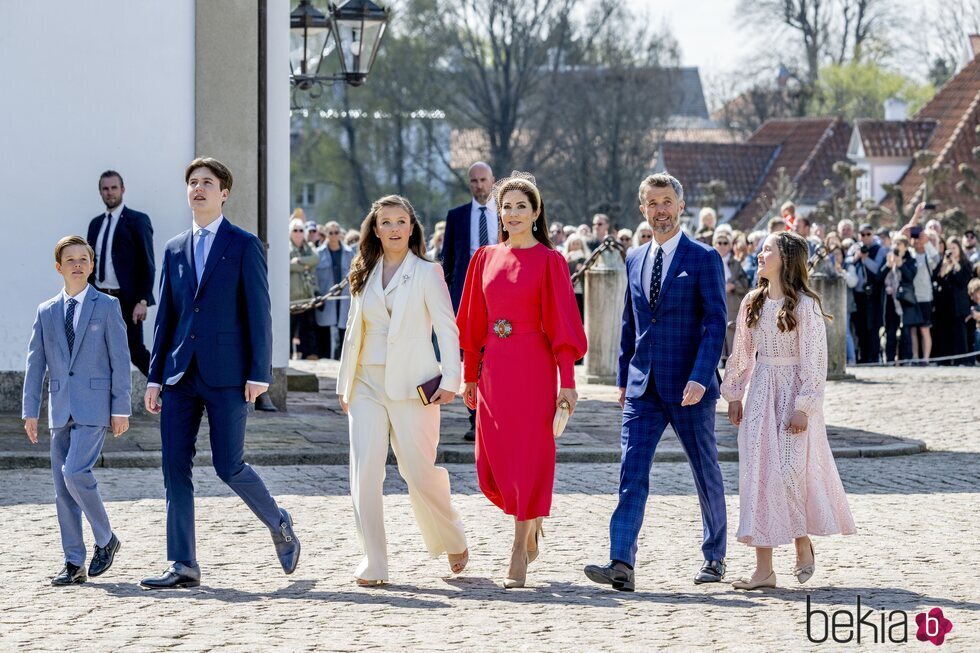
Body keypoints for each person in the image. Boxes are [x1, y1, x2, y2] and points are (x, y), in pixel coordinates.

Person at [140, 157, 299, 589]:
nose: (198, 189)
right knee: (174, 467)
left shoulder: (244, 245)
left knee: (229, 466)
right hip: (178, 376)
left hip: (228, 375)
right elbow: (166, 319)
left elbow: (259, 313)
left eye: (207, 183)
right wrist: (155, 377)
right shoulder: (174, 248)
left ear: (224, 192)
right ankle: (183, 564)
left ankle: (278, 522)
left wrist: (259, 372)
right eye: (192, 182)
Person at [584, 173, 728, 592]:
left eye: (667, 201)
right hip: (642, 386)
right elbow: (629, 324)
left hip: (690, 388)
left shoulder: (703, 258)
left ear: (680, 207)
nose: (660, 210)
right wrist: (622, 379)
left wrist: (702, 377)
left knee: (705, 471)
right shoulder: (633, 258)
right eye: (652, 203)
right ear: (642, 209)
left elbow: (716, 323)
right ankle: (621, 563)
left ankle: (714, 556)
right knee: (631, 472)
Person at [457, 172, 586, 588]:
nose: (512, 214)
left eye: (520, 206)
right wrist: (468, 376)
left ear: (536, 212)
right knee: (493, 463)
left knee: (529, 457)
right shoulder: (483, 258)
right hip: (493, 369)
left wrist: (567, 383)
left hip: (533, 368)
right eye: (506, 207)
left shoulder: (551, 262)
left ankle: (518, 547)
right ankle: (530, 525)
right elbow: (472, 324)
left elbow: (564, 330)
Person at [336, 195, 468, 586]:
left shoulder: (428, 272)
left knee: (419, 472)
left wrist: (451, 379)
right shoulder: (363, 271)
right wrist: (345, 384)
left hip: (415, 386)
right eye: (386, 222)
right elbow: (352, 332)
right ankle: (373, 560)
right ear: (374, 229)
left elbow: (447, 327)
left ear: (412, 228)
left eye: (401, 221)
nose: (394, 228)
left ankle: (453, 535)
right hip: (365, 385)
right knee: (365, 473)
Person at [721, 231, 855, 589]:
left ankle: (801, 543)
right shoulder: (753, 302)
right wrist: (734, 394)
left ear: (786, 259)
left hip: (793, 395)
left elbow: (815, 360)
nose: (760, 254)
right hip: (761, 392)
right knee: (758, 475)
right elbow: (742, 353)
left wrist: (805, 405)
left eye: (768, 249)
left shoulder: (806, 306)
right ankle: (763, 569)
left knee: (791, 471)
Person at [23, 235, 131, 585]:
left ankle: (106, 538)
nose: (77, 264)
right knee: (62, 488)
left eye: (84, 258)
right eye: (70, 260)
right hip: (59, 408)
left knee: (74, 473)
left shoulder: (107, 306)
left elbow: (120, 360)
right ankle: (73, 563)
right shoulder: (46, 311)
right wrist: (30, 412)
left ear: (92, 265)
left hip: (95, 407)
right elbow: (35, 365)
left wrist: (121, 408)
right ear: (59, 268)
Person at [442, 161, 497, 441]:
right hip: (468, 293)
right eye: (474, 181)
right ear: (469, 184)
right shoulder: (457, 217)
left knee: (497, 356)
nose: (479, 185)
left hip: (501, 293)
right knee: (472, 357)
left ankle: (498, 415)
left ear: (492, 181)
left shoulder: (507, 215)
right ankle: (475, 419)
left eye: (483, 180)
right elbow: (448, 260)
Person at [86, 170, 155, 376]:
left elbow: (147, 263)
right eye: (105, 189)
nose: (110, 193)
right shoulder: (95, 224)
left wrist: (142, 300)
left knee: (135, 351)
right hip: (99, 298)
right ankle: (101, 402)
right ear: (100, 192)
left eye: (114, 188)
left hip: (127, 301)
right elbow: (89, 262)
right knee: (97, 350)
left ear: (122, 190)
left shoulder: (137, 220)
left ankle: (170, 392)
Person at [902, 206, 941, 363]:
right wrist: (916, 215)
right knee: (912, 329)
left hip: (925, 296)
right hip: (911, 296)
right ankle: (915, 356)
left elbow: (937, 260)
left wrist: (927, 243)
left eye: (919, 237)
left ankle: (925, 358)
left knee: (925, 329)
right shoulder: (909, 254)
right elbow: (903, 233)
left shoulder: (928, 255)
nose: (916, 240)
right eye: (915, 237)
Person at [314, 221, 352, 360]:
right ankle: (324, 360)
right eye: (331, 233)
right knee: (324, 333)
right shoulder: (318, 253)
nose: (334, 236)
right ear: (326, 234)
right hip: (326, 297)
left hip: (345, 298)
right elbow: (314, 276)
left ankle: (341, 360)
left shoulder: (349, 252)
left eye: (337, 232)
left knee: (344, 331)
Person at [849, 223, 886, 363]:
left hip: (873, 295)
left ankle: (874, 357)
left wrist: (865, 258)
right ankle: (863, 357)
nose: (865, 237)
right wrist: (856, 257)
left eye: (868, 234)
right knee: (860, 327)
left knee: (873, 327)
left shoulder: (879, 249)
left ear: (873, 234)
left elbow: (877, 269)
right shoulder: (855, 248)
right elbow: (847, 262)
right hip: (858, 294)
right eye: (862, 234)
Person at [932, 237, 973, 364]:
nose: (952, 251)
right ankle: (945, 360)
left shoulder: (965, 264)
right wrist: (944, 265)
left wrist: (955, 264)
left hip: (959, 305)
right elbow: (937, 279)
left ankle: (961, 360)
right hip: (945, 305)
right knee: (945, 332)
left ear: (959, 249)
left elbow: (963, 280)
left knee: (960, 333)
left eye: (954, 248)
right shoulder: (943, 262)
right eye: (949, 249)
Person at [714, 230, 750, 365]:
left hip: (732, 303)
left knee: (732, 331)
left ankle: (733, 360)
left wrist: (733, 285)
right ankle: (718, 359)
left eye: (725, 243)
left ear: (730, 246)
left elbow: (745, 283)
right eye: (719, 242)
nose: (722, 245)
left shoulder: (735, 263)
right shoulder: (709, 260)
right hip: (716, 302)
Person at [881, 234, 917, 363]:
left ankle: (906, 359)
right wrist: (887, 266)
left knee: (905, 332)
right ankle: (890, 359)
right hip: (890, 301)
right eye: (894, 244)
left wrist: (901, 265)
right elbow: (879, 278)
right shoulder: (888, 258)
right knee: (890, 331)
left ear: (905, 248)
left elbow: (910, 278)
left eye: (899, 244)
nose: (896, 247)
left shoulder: (911, 260)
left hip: (904, 301)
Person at [289, 217, 320, 360]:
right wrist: (306, 266)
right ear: (290, 232)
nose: (298, 233)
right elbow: (287, 265)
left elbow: (316, 259)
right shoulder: (286, 247)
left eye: (301, 230)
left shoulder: (309, 247)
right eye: (295, 230)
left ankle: (308, 354)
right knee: (289, 328)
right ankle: (288, 354)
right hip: (291, 297)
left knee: (308, 327)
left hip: (307, 295)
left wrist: (300, 261)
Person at [563, 233, 591, 323]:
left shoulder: (586, 259)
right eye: (573, 244)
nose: (575, 246)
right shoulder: (564, 259)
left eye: (578, 244)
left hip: (582, 292)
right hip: (569, 292)